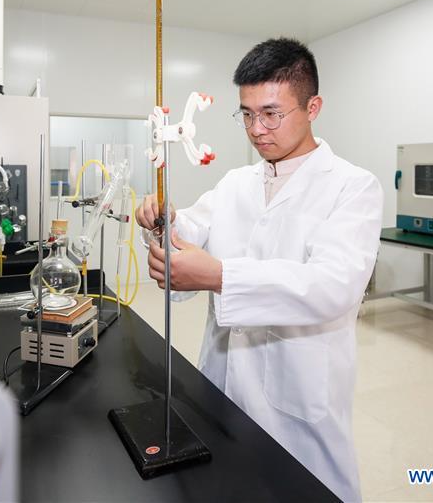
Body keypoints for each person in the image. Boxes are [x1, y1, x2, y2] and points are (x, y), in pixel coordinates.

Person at [136, 38, 382, 502]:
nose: (256, 129)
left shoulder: (352, 187)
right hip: (222, 386)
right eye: (246, 114)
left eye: (271, 113)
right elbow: (189, 233)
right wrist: (163, 223)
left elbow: (332, 287)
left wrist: (220, 276)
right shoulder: (235, 183)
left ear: (312, 107)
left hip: (299, 402)